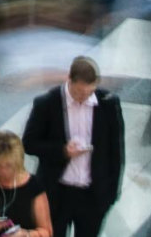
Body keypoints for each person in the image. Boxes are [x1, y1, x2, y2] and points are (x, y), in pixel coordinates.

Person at [21, 56, 124, 237]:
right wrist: (62, 150)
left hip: (92, 196)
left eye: (88, 93)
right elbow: (29, 143)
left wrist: (110, 196)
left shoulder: (109, 104)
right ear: (69, 79)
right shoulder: (47, 103)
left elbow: (116, 153)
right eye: (78, 93)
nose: (83, 98)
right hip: (57, 193)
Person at [0, 131, 54, 237]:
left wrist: (25, 235)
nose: (3, 171)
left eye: (8, 165)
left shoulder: (33, 186)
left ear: (17, 162)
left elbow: (47, 232)